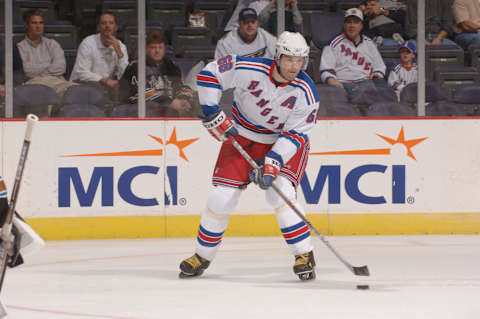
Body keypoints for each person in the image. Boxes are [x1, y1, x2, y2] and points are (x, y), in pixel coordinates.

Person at [179, 31, 320, 281]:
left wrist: (273, 162)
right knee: (221, 198)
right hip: (242, 136)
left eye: (300, 61)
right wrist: (212, 110)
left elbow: (297, 134)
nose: (294, 67)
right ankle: (201, 256)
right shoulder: (250, 68)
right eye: (289, 60)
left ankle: (304, 253)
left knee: (280, 193)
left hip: (282, 142)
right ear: (277, 55)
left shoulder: (306, 93)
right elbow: (210, 73)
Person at [119, 30, 196, 117]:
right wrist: (170, 102)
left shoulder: (171, 66)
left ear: (164, 49)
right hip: (135, 109)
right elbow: (140, 93)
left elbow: (179, 86)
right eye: (153, 47)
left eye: (160, 47)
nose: (157, 51)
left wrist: (183, 99)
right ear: (147, 49)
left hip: (165, 109)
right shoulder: (136, 66)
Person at [320, 8, 387, 94]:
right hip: (343, 84)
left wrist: (377, 74)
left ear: (361, 25)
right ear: (344, 25)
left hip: (366, 83)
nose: (352, 25)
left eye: (356, 22)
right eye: (349, 22)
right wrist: (332, 80)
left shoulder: (370, 44)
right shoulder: (333, 44)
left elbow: (380, 66)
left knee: (385, 91)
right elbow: (325, 70)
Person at [16, 9, 74, 97]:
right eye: (34, 23)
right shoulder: (20, 47)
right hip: (34, 84)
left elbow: (61, 67)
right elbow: (27, 71)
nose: (38, 26)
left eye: (41, 23)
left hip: (57, 82)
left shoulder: (52, 44)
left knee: (77, 89)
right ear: (26, 25)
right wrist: (48, 66)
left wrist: (39, 72)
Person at [70, 12, 128, 94]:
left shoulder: (121, 46)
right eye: (104, 23)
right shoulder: (88, 43)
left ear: (116, 27)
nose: (107, 26)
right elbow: (81, 73)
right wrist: (105, 80)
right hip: (81, 85)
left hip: (105, 88)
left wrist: (119, 53)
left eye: (111, 23)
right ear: (99, 27)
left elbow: (124, 75)